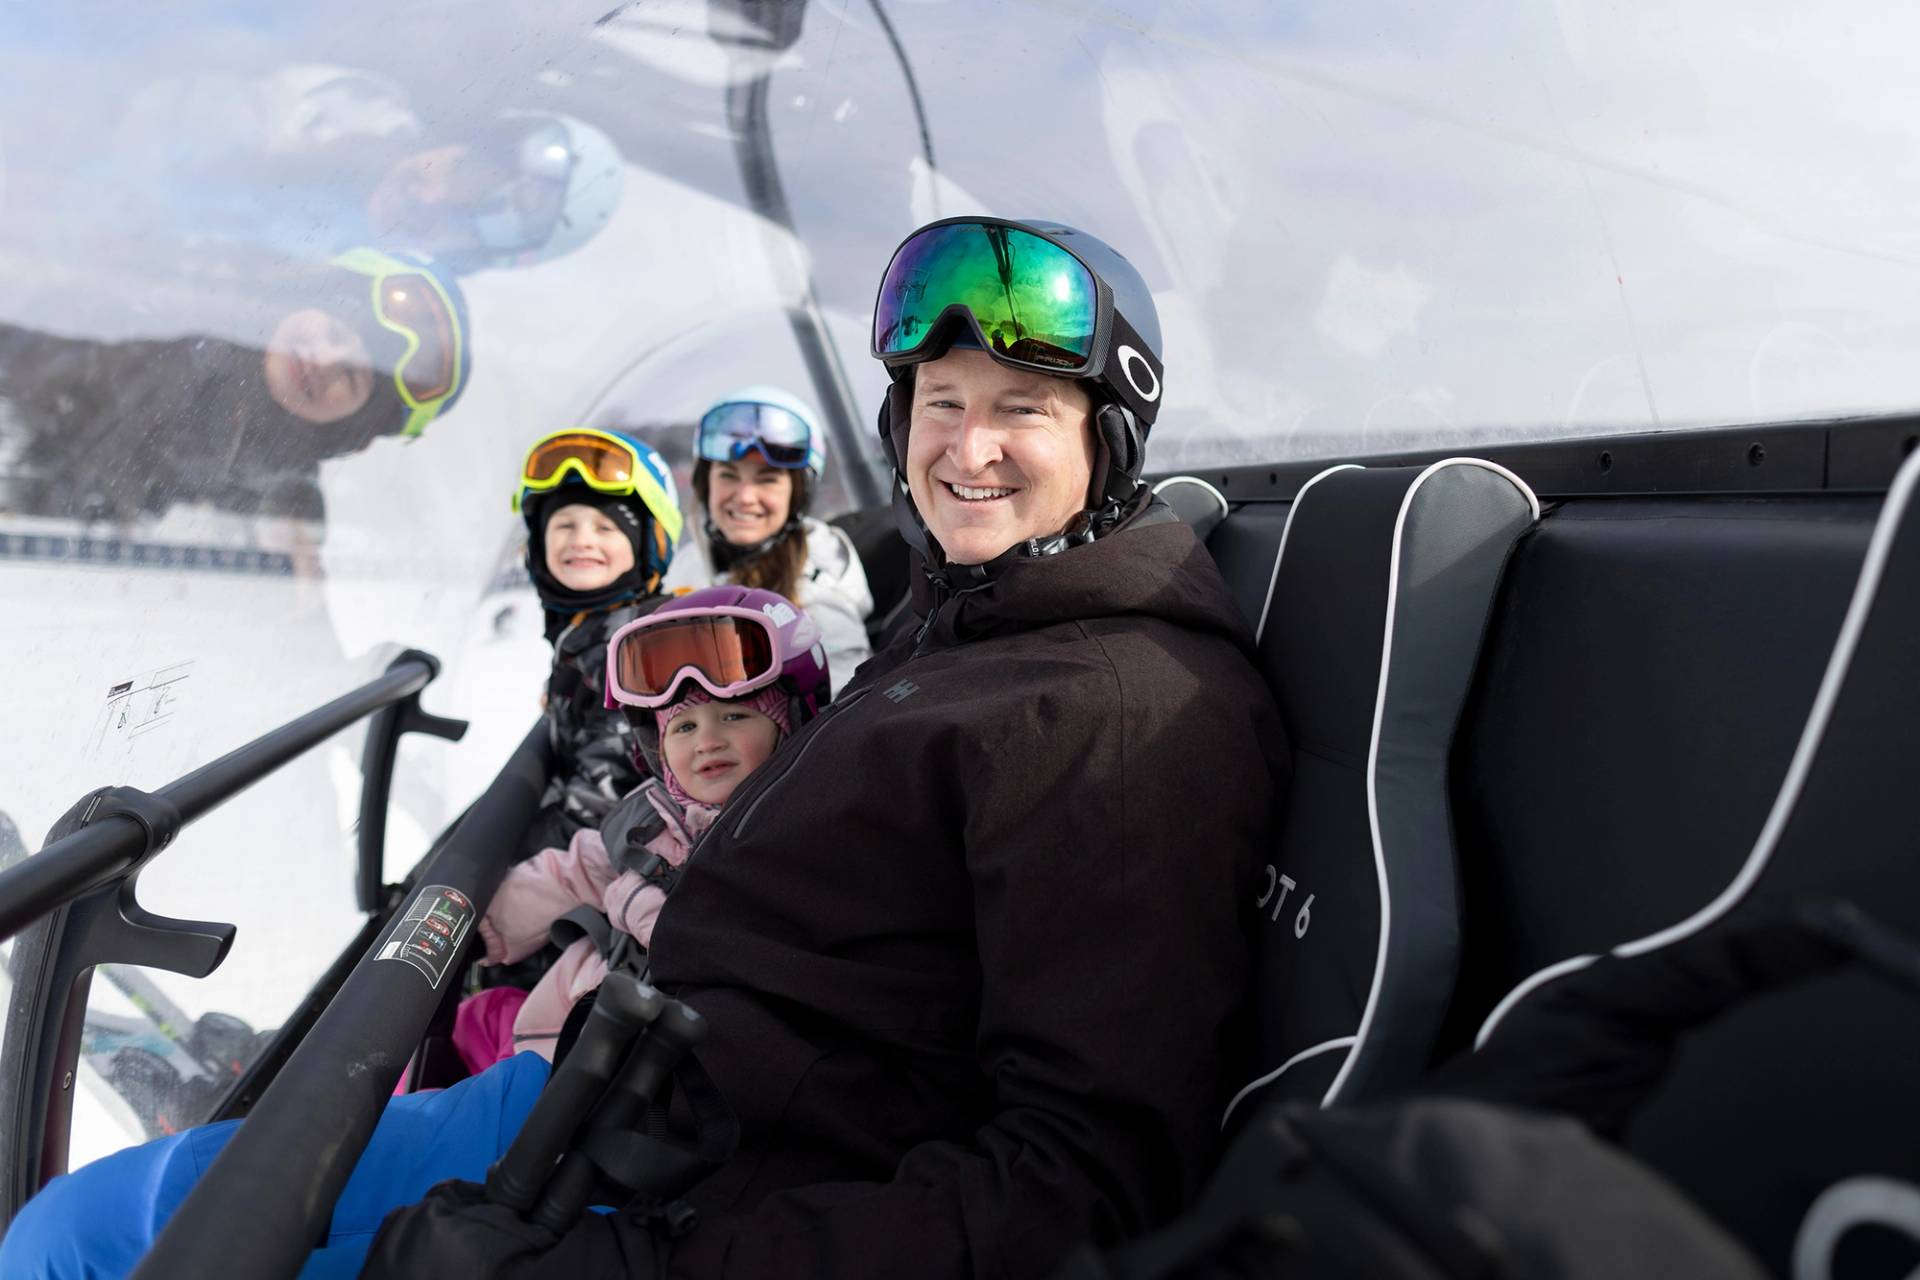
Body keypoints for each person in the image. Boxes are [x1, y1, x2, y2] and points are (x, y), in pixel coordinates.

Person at [1, 218, 1290, 1280]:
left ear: (1105, 441)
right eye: (941, 401)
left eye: (1023, 410)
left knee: (89, 1252)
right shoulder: (969, 622)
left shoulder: (1125, 715)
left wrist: (648, 1268)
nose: (967, 445)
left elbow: (1080, 1182)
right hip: (612, 1093)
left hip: (687, 1194)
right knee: (71, 1232)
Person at [455, 586, 830, 1067]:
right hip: (556, 1033)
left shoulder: (795, 836)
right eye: (684, 728)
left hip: (621, 1077)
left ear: (793, 725)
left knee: (404, 1130)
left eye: (734, 716)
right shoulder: (649, 821)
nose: (707, 741)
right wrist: (472, 929)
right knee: (470, 1021)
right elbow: (574, 872)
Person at [0, 247, 468, 524]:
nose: (322, 358)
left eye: (351, 375)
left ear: (352, 428)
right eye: (334, 331)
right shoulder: (181, 300)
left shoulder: (265, 492)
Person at [511, 428, 685, 860]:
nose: (581, 539)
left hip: (621, 859)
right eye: (564, 524)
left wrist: (487, 866)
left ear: (648, 546)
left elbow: (595, 810)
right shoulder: (587, 633)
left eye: (606, 527)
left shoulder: (636, 651)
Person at [661, 387, 874, 694]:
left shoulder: (819, 584)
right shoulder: (689, 565)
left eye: (767, 479)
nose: (746, 497)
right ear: (706, 484)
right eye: (729, 475)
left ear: (797, 494)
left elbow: (841, 692)